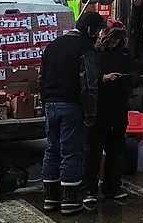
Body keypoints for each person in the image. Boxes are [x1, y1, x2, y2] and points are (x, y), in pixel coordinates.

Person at [40, 11, 103, 215]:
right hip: (72, 106)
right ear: (91, 30)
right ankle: (70, 201)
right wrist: (90, 114)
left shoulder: (52, 45)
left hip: (50, 104)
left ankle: (50, 198)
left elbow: (41, 78)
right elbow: (90, 85)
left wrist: (45, 102)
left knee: (52, 150)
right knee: (72, 153)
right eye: (98, 31)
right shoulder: (84, 48)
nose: (98, 36)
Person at [82, 20, 136, 207]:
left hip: (118, 107)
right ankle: (89, 188)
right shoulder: (95, 53)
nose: (114, 41)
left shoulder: (125, 54)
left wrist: (126, 79)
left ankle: (112, 186)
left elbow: (134, 76)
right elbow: (88, 78)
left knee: (116, 149)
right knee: (94, 150)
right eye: (112, 37)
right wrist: (103, 79)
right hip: (99, 108)